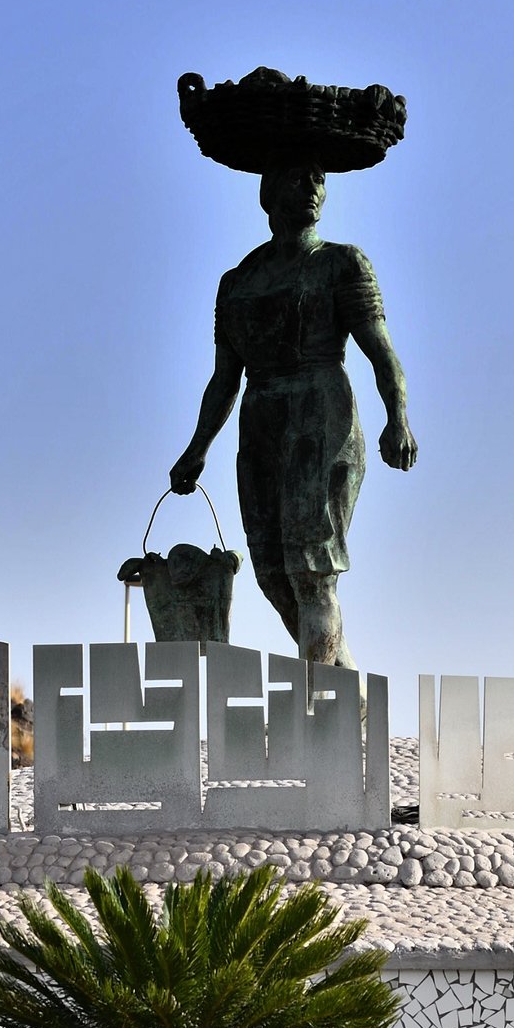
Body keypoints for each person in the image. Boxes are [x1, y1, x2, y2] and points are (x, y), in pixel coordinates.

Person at [170, 164, 416, 668]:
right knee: (272, 572)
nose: (311, 189)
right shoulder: (236, 282)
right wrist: (196, 449)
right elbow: (224, 378)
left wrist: (398, 417)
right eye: (298, 178)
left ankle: (320, 699)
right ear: (269, 191)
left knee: (311, 569)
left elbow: (381, 351)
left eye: (319, 179)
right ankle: (347, 684)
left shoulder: (342, 263)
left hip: (320, 416)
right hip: (261, 420)